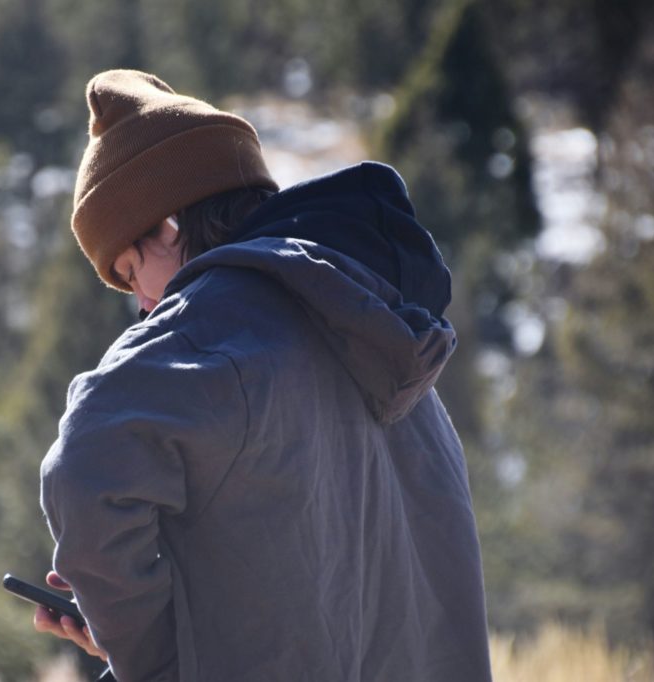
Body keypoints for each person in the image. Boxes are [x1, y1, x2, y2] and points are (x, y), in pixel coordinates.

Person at [34, 69, 493, 682]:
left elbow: (85, 463)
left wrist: (157, 659)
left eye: (128, 267)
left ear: (167, 224)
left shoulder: (204, 337)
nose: (142, 305)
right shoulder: (391, 344)